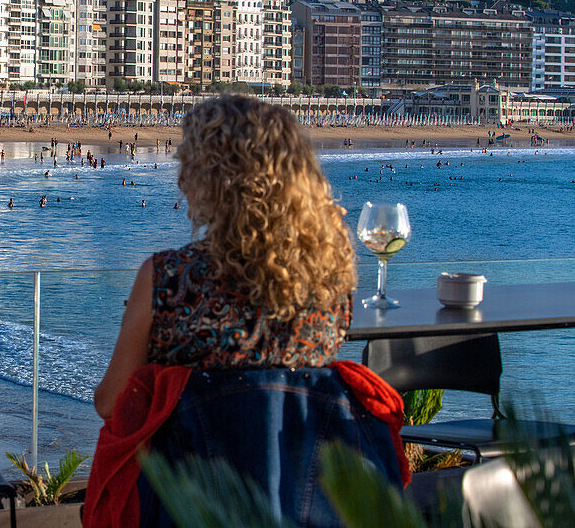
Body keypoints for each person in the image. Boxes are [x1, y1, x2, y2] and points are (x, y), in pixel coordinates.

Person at [86, 96, 405, 527]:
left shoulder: (166, 276)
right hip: (308, 502)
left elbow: (111, 402)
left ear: (211, 180)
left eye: (189, 165)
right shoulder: (331, 278)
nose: (181, 179)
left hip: (188, 505)